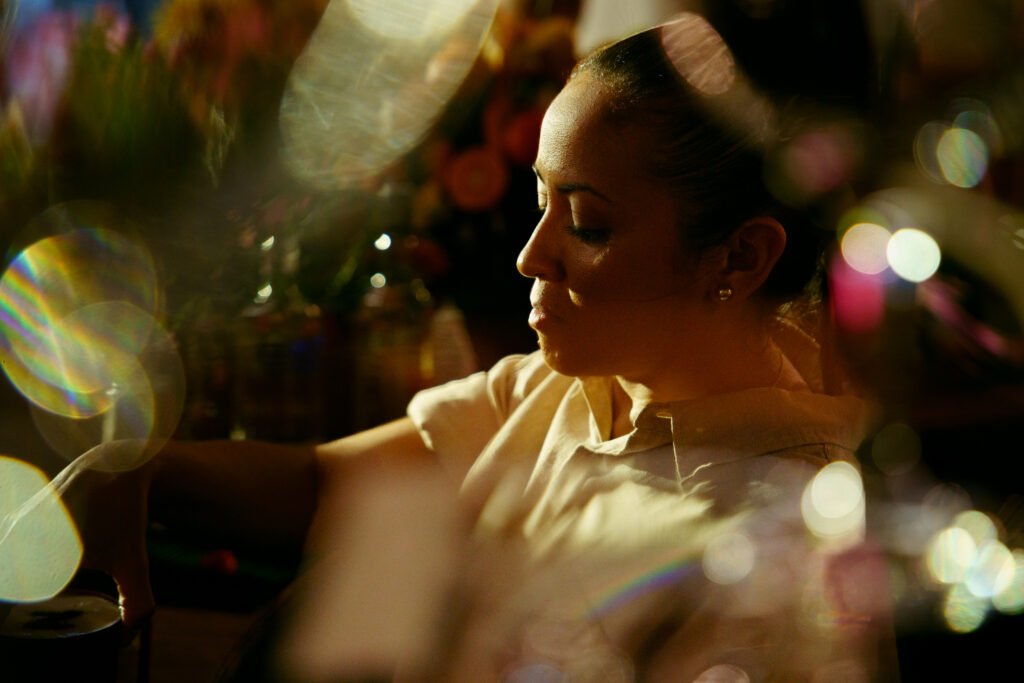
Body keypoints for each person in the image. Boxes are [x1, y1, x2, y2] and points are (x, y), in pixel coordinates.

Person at [70, 9, 895, 682]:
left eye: (587, 223)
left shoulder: (790, 537)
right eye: (540, 201)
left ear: (740, 258)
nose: (531, 255)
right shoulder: (564, 390)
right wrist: (131, 470)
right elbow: (328, 487)